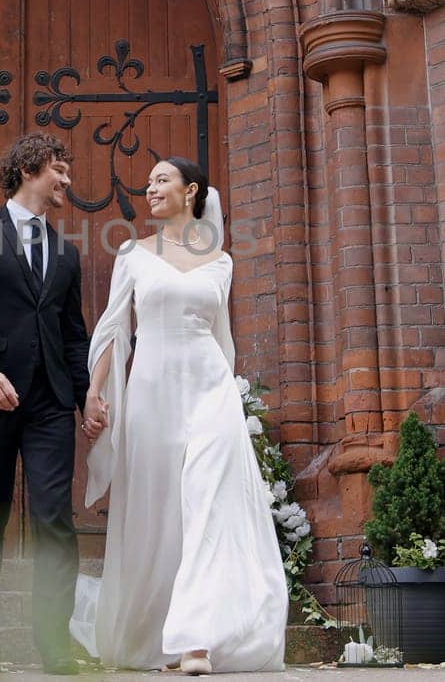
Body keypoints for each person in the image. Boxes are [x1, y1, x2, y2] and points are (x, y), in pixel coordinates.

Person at [71, 157, 287, 674]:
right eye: (148, 183)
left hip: (210, 388)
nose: (150, 189)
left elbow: (224, 340)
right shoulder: (134, 254)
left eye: (161, 180)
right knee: (161, 511)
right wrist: (95, 393)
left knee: (209, 503)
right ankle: (155, 631)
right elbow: (113, 328)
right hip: (152, 391)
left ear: (191, 191)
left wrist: (232, 401)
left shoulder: (221, 262)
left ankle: (196, 642)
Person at [0, 132, 99, 675]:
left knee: (56, 518)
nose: (67, 179)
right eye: (60, 167)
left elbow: (73, 334)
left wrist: (87, 399)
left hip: (50, 403)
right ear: (31, 168)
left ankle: (55, 643)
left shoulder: (66, 252)